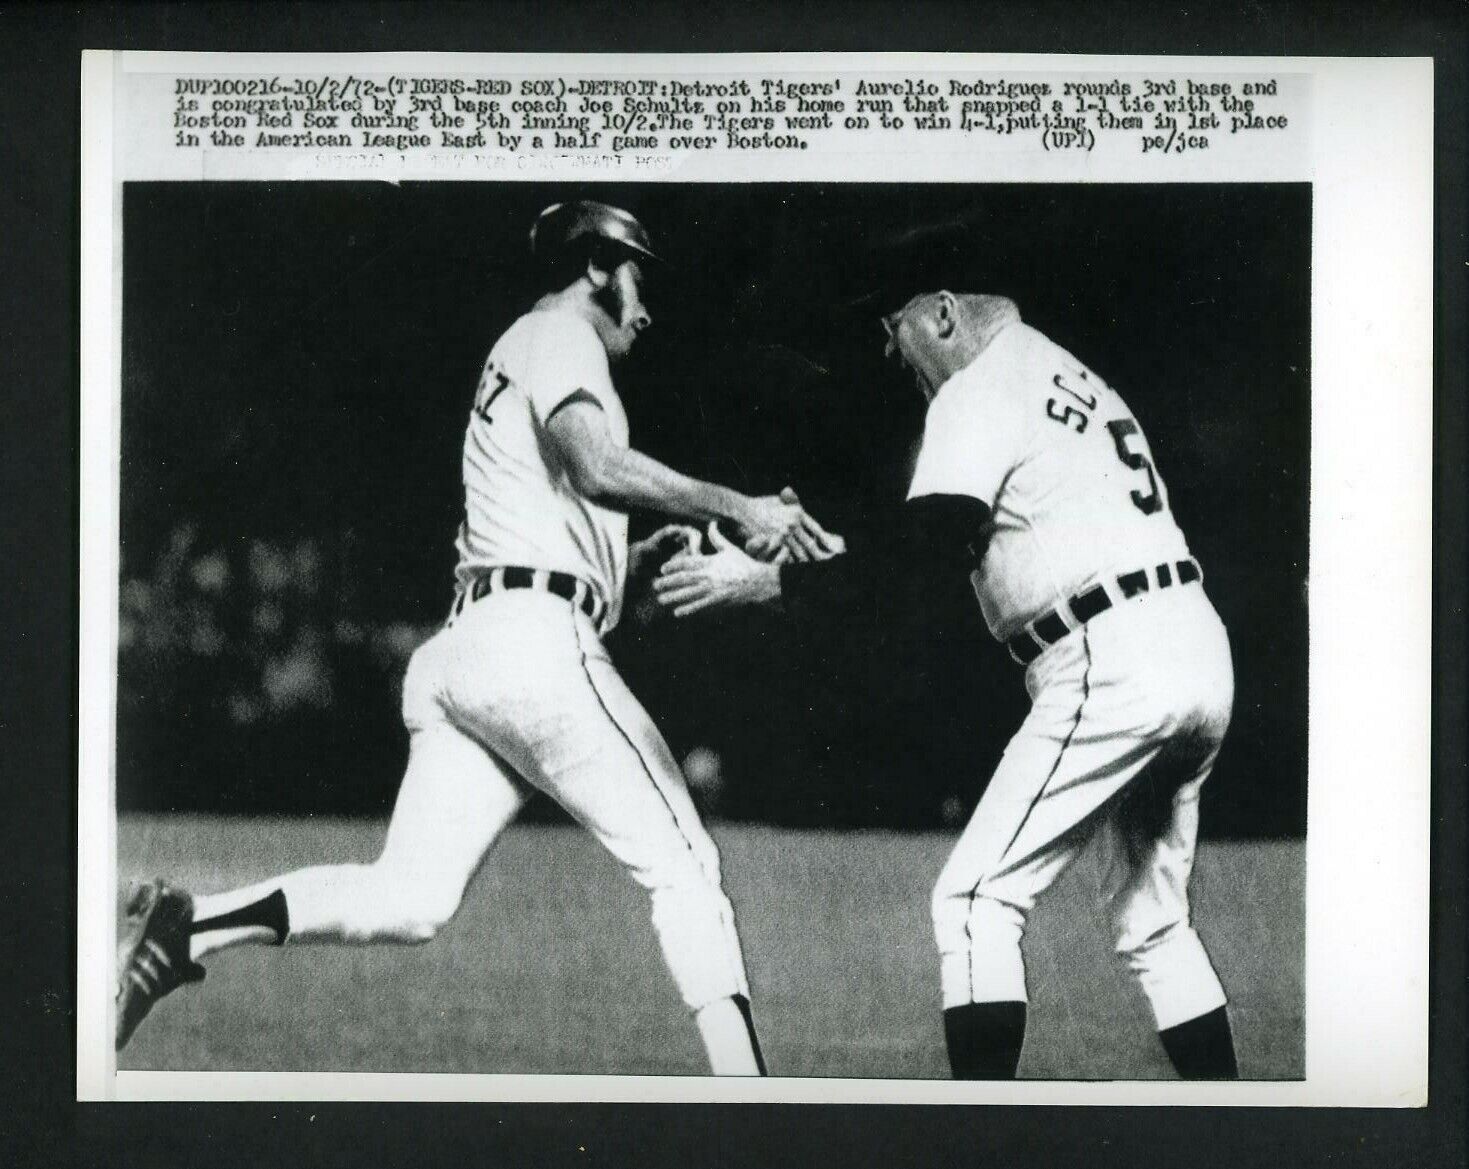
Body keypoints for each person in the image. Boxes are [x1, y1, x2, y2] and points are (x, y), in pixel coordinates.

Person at [115, 200, 840, 1075]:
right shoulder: (560, 335)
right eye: (640, 279)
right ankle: (750, 1102)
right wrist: (741, 504)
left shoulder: (520, 354)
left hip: (468, 651)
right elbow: (595, 465)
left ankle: (190, 925)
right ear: (598, 268)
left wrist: (640, 555)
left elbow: (562, 506)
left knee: (409, 897)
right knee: (687, 866)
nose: (647, 308)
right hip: (530, 646)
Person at [654, 290, 1239, 1080]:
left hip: (1112, 655)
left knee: (972, 904)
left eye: (893, 331)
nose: (892, 354)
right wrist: (812, 557)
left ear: (940, 314)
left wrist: (765, 580)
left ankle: (976, 1141)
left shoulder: (976, 385)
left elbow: (916, 561)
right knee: (1154, 925)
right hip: (1189, 639)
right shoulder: (1061, 374)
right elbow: (929, 543)